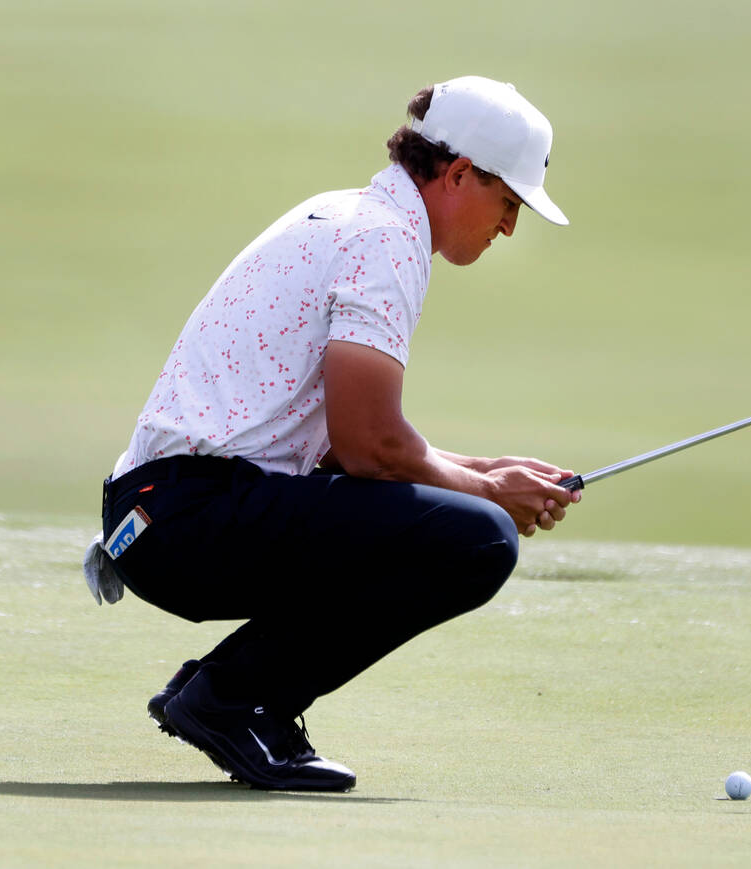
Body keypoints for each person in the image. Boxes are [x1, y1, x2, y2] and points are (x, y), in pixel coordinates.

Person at [82, 76, 581, 792]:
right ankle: (233, 701)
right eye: (508, 203)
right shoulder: (385, 242)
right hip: (184, 514)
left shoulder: (356, 215)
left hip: (159, 511)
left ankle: (229, 694)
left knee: (454, 514)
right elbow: (368, 445)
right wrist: (489, 491)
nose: (508, 227)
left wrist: (487, 471)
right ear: (461, 173)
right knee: (478, 538)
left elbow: (360, 449)